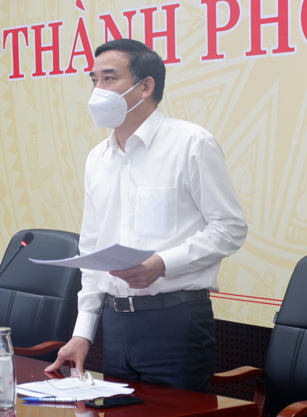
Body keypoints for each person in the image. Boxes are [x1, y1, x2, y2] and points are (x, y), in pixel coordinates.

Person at [45, 39, 247, 392]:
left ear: (146, 86)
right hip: (117, 325)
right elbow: (92, 249)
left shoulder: (190, 144)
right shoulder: (97, 159)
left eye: (109, 79)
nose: (98, 91)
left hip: (176, 322)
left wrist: (162, 263)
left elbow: (229, 228)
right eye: (94, 80)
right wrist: (82, 333)